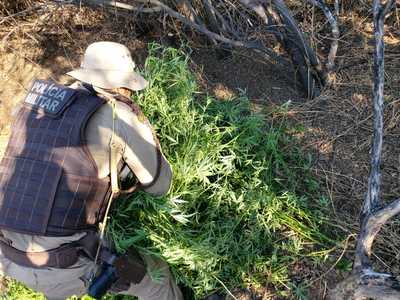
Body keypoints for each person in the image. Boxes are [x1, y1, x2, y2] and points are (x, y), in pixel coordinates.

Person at [0, 41, 183, 300]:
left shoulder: (37, 105)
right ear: (123, 85)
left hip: (9, 254)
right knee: (158, 277)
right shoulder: (117, 116)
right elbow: (160, 187)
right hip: (61, 265)